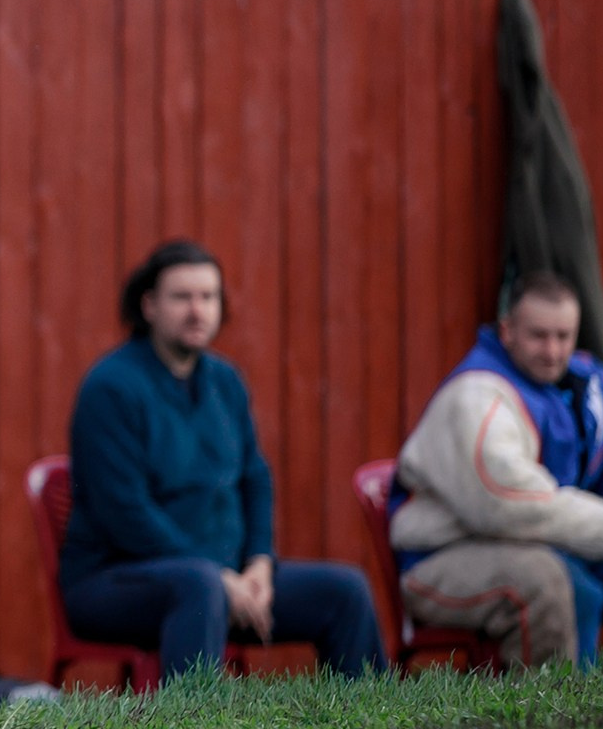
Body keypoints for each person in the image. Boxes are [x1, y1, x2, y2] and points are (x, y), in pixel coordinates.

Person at [58, 240, 385, 678]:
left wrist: (259, 565)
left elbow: (255, 480)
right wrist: (221, 578)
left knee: (345, 591)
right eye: (182, 297)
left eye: (208, 297)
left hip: (225, 578)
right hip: (115, 581)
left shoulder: (225, 381)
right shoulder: (110, 388)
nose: (198, 310)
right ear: (149, 305)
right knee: (198, 586)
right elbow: (125, 513)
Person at [390, 273, 603, 667]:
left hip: (533, 543)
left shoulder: (584, 383)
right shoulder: (477, 396)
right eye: (539, 335)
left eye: (564, 336)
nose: (553, 351)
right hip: (441, 556)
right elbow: (513, 502)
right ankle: (549, 719)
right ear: (507, 332)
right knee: (551, 583)